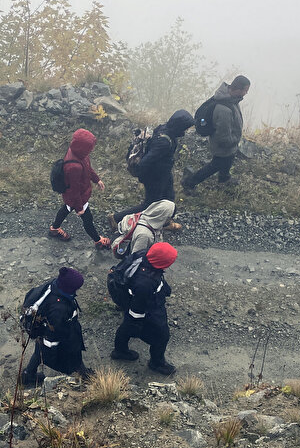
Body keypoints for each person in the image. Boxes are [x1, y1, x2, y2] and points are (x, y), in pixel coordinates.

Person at [112, 109, 194, 227]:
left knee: (169, 198)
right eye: (185, 128)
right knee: (150, 204)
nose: (186, 131)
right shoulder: (164, 143)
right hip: (154, 177)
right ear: (179, 126)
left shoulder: (164, 128)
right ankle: (116, 218)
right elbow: (145, 162)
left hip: (164, 174)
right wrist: (147, 176)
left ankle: (165, 222)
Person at [110, 241, 178, 376]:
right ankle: (156, 363)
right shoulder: (145, 282)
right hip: (146, 307)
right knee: (162, 335)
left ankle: (120, 350)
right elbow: (138, 308)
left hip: (132, 299)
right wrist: (137, 324)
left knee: (126, 326)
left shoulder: (144, 255)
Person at [21, 267, 91, 386]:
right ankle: (83, 374)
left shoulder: (53, 285)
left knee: (39, 352)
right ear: (69, 289)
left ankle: (27, 375)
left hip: (41, 331)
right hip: (61, 335)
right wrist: (53, 352)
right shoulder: (59, 308)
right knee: (74, 352)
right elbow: (54, 334)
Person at [183, 75, 250, 191]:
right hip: (223, 145)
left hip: (230, 142)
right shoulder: (224, 109)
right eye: (245, 90)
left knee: (229, 159)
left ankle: (224, 178)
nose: (246, 93)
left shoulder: (231, 99)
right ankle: (189, 182)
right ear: (238, 89)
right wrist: (233, 141)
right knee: (215, 165)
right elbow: (222, 136)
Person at [49, 129, 110, 248]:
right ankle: (98, 241)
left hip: (73, 196)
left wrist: (97, 179)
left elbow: (88, 168)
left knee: (66, 208)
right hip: (78, 197)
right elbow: (74, 190)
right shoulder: (74, 167)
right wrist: (79, 208)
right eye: (90, 147)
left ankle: (54, 229)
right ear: (83, 148)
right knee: (88, 219)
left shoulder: (78, 153)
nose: (91, 150)